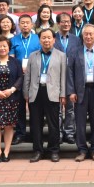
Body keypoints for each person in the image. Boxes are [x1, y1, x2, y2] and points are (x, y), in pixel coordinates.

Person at [68, 24, 94, 162]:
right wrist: (71, 91)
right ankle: (81, 150)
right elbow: (70, 73)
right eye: (85, 34)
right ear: (82, 36)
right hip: (80, 91)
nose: (88, 36)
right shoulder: (75, 52)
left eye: (91, 34)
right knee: (80, 123)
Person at [24, 28, 67, 163]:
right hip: (35, 93)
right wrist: (26, 93)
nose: (46, 40)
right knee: (35, 123)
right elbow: (28, 76)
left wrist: (63, 94)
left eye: (49, 37)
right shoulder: (33, 55)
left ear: (54, 40)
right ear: (39, 39)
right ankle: (38, 150)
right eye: (43, 37)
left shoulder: (61, 55)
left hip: (53, 93)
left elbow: (63, 77)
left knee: (53, 124)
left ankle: (53, 150)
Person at [10, 14, 41, 145]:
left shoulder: (38, 38)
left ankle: (35, 133)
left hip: (35, 75)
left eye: (27, 22)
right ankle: (20, 133)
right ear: (18, 25)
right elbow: (11, 57)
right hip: (19, 76)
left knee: (35, 105)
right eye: (22, 23)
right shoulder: (14, 40)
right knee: (20, 106)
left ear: (32, 25)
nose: (25, 25)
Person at [54, 12, 79, 144]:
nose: (66, 24)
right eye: (63, 21)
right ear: (58, 23)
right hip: (56, 77)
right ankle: (57, 133)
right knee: (57, 107)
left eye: (68, 21)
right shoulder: (52, 38)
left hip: (71, 77)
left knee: (70, 107)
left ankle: (69, 133)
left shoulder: (76, 39)